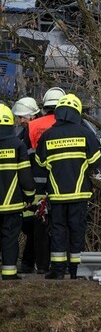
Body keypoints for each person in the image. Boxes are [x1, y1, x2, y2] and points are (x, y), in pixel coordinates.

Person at [36, 94, 101, 279]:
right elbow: (95, 161)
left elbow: (40, 162)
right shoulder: (85, 133)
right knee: (77, 230)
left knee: (57, 231)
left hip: (56, 194)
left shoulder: (48, 135)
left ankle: (58, 270)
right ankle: (76, 270)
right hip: (79, 193)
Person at [0, 104, 34, 279]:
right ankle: (9, 274)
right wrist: (30, 196)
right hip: (12, 204)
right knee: (10, 239)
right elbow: (25, 176)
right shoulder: (17, 145)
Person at [12, 97, 43, 274]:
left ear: (31, 115)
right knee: (31, 226)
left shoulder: (32, 132)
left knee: (33, 226)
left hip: (37, 187)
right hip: (32, 187)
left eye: (22, 117)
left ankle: (30, 263)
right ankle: (30, 262)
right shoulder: (25, 133)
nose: (20, 120)